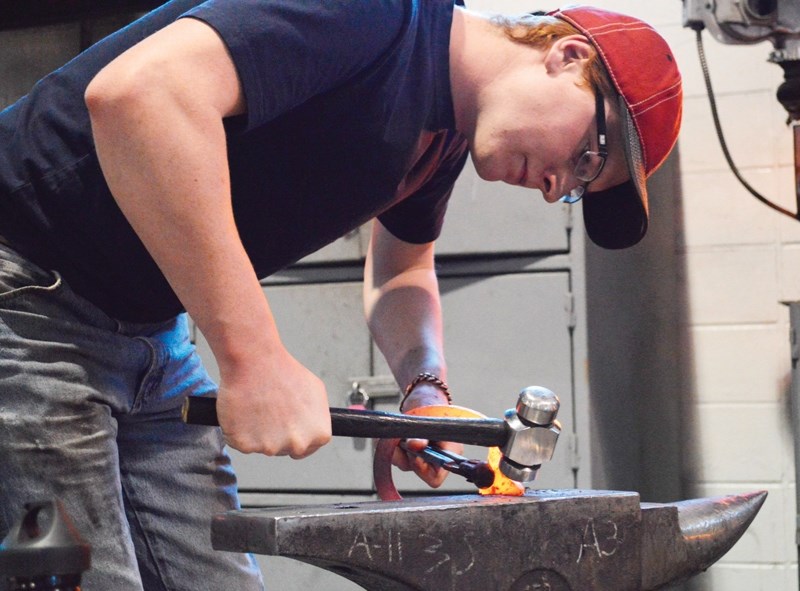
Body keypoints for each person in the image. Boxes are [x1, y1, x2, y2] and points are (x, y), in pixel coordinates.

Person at [0, 0, 682, 589]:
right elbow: (138, 95)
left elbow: (402, 272)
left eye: (580, 185)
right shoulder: (379, 17)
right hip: (29, 288)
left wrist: (424, 389)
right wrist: (253, 356)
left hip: (146, 332)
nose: (559, 186)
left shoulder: (445, 134)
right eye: (588, 156)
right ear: (566, 56)